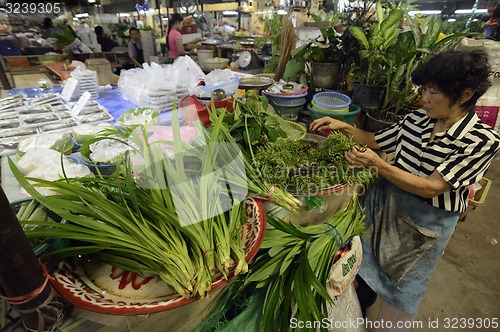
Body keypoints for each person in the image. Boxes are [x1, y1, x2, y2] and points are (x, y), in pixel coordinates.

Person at [309, 49, 500, 331]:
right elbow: (376, 139)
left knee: (401, 291)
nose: (424, 99)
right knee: (364, 263)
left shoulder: (482, 140)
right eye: (423, 90)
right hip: (387, 207)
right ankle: (358, 310)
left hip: (424, 227)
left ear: (465, 95)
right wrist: (342, 126)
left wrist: (378, 166)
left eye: (433, 93)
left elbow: (432, 187)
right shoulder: (416, 120)